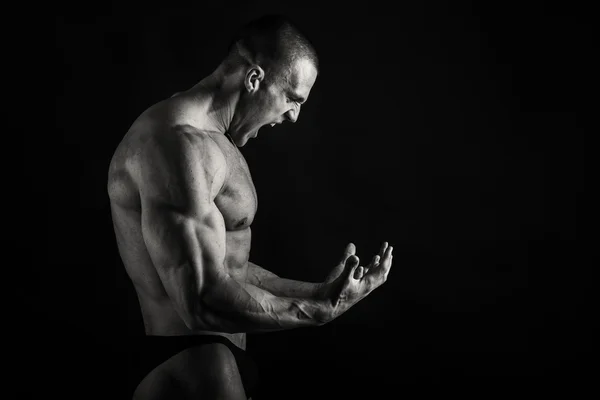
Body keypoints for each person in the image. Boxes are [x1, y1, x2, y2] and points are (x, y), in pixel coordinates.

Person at [107, 14, 393, 400]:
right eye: (292, 98)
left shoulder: (212, 143)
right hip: (192, 364)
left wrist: (321, 293)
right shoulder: (174, 146)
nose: (293, 115)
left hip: (216, 361)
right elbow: (202, 300)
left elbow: (226, 266)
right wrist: (314, 314)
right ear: (255, 79)